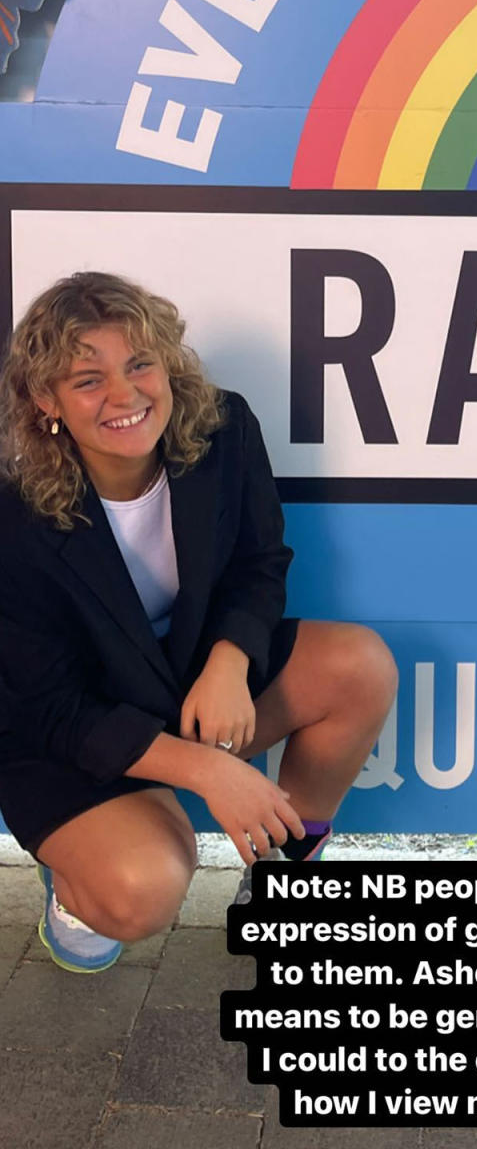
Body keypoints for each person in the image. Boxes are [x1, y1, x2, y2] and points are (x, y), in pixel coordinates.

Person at [0, 270, 398, 973]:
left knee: (358, 667)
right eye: (88, 379)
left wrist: (229, 662)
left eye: (140, 364)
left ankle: (288, 867)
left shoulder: (222, 426)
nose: (125, 396)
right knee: (142, 891)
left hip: (184, 679)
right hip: (64, 728)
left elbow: (259, 562)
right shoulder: (13, 506)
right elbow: (47, 707)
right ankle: (78, 879)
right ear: (45, 399)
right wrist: (208, 773)